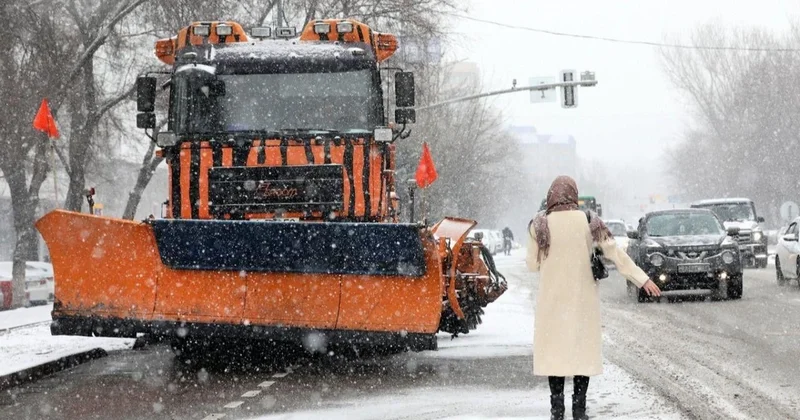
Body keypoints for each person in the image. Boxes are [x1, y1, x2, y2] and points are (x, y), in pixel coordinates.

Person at [526, 176, 661, 420]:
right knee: (581, 353)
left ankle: (557, 411)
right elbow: (616, 255)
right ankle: (579, 410)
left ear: (551, 196)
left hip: (552, 303)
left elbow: (532, 266)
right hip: (582, 301)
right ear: (573, 195)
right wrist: (643, 280)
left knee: (554, 353)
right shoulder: (589, 221)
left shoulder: (539, 224)